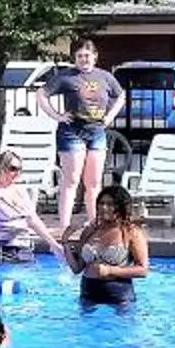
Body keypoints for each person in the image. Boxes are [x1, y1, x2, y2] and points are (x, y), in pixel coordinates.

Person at [40, 40, 128, 236]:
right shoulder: (66, 76)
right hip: (72, 131)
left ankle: (94, 222)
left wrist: (110, 117)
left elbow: (121, 96)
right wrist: (57, 115)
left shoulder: (105, 77)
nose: (83, 59)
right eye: (79, 56)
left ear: (95, 57)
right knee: (71, 180)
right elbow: (42, 94)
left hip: (96, 131)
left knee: (94, 182)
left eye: (86, 56)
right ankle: (64, 225)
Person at [64, 183, 150, 310]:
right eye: (101, 203)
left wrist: (110, 270)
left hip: (119, 295)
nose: (104, 207)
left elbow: (143, 270)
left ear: (121, 207)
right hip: (88, 293)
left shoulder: (130, 232)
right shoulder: (90, 231)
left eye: (110, 204)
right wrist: (65, 242)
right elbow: (77, 268)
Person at [0, 151, 62, 264]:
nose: (17, 173)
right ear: (1, 168)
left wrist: (53, 244)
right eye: (13, 169)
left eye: (20, 169)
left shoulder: (21, 192)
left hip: (25, 247)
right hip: (3, 248)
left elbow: (33, 219)